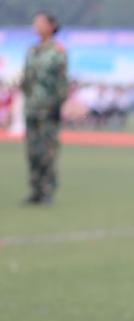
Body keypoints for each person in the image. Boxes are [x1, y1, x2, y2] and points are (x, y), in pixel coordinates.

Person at [20, 10, 69, 205]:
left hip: (48, 109)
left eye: (40, 22)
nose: (36, 26)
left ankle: (47, 190)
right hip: (31, 107)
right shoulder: (32, 50)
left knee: (47, 151)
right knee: (32, 151)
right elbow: (26, 79)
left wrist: (58, 105)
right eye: (35, 22)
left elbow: (61, 82)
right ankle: (35, 190)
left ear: (51, 26)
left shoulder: (57, 52)